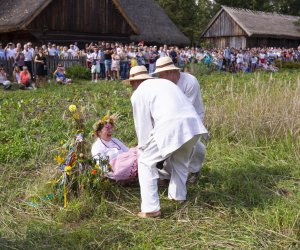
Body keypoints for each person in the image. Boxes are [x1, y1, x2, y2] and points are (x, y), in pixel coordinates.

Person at [124, 66, 208, 218]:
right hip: (193, 124)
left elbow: (143, 125)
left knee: (145, 162)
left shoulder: (139, 93)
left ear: (135, 82)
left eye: (131, 83)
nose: (131, 87)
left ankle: (150, 209)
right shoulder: (165, 83)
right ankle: (178, 197)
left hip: (172, 124)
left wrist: (143, 147)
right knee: (180, 160)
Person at [153, 56, 207, 184]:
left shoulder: (190, 82)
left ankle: (194, 170)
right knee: (168, 145)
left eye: (162, 75)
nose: (160, 78)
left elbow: (186, 108)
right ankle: (167, 175)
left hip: (192, 117)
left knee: (193, 145)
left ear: (171, 72)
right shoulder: (164, 83)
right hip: (169, 118)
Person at [91, 112, 138, 182]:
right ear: (99, 132)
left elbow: (127, 151)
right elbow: (102, 165)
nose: (110, 131)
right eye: (107, 129)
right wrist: (113, 176)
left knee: (140, 151)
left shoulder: (115, 140)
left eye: (111, 129)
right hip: (116, 171)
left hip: (127, 165)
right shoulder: (97, 147)